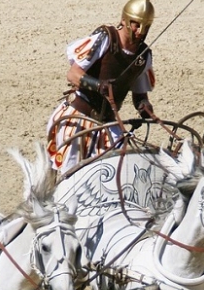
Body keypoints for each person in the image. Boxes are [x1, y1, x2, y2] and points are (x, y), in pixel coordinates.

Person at [47, 0, 157, 174]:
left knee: (121, 169)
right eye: (136, 25)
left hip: (108, 122)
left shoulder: (143, 57)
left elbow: (139, 95)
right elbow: (73, 74)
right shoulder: (105, 38)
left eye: (146, 27)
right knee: (71, 175)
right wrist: (98, 85)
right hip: (78, 117)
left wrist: (144, 106)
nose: (140, 32)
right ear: (124, 21)